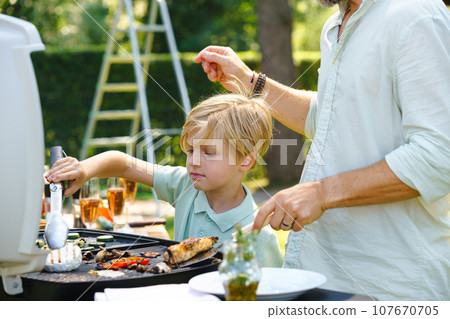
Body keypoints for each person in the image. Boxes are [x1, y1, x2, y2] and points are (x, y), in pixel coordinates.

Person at [195, 0, 450, 300]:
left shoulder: (415, 16)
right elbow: (329, 117)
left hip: (389, 286)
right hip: (324, 275)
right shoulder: (336, 25)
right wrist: (249, 82)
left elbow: (438, 157)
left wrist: (322, 193)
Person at [46, 92, 283, 268]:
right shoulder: (185, 185)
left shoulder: (258, 237)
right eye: (191, 151)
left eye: (208, 153)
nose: (195, 162)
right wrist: (85, 170)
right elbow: (122, 163)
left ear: (246, 161)